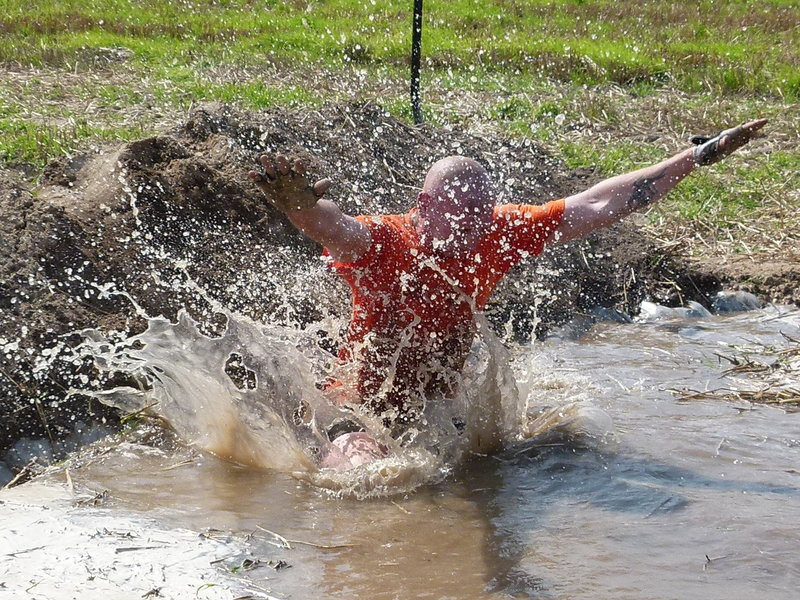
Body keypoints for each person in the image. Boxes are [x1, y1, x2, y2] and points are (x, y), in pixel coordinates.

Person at [248, 119, 766, 464]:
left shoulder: (500, 231)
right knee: (365, 475)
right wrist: (299, 206)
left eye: (479, 221)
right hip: (357, 403)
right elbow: (333, 226)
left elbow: (601, 203)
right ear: (422, 206)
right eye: (456, 221)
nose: (468, 236)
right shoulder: (383, 240)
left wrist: (698, 155)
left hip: (436, 404)